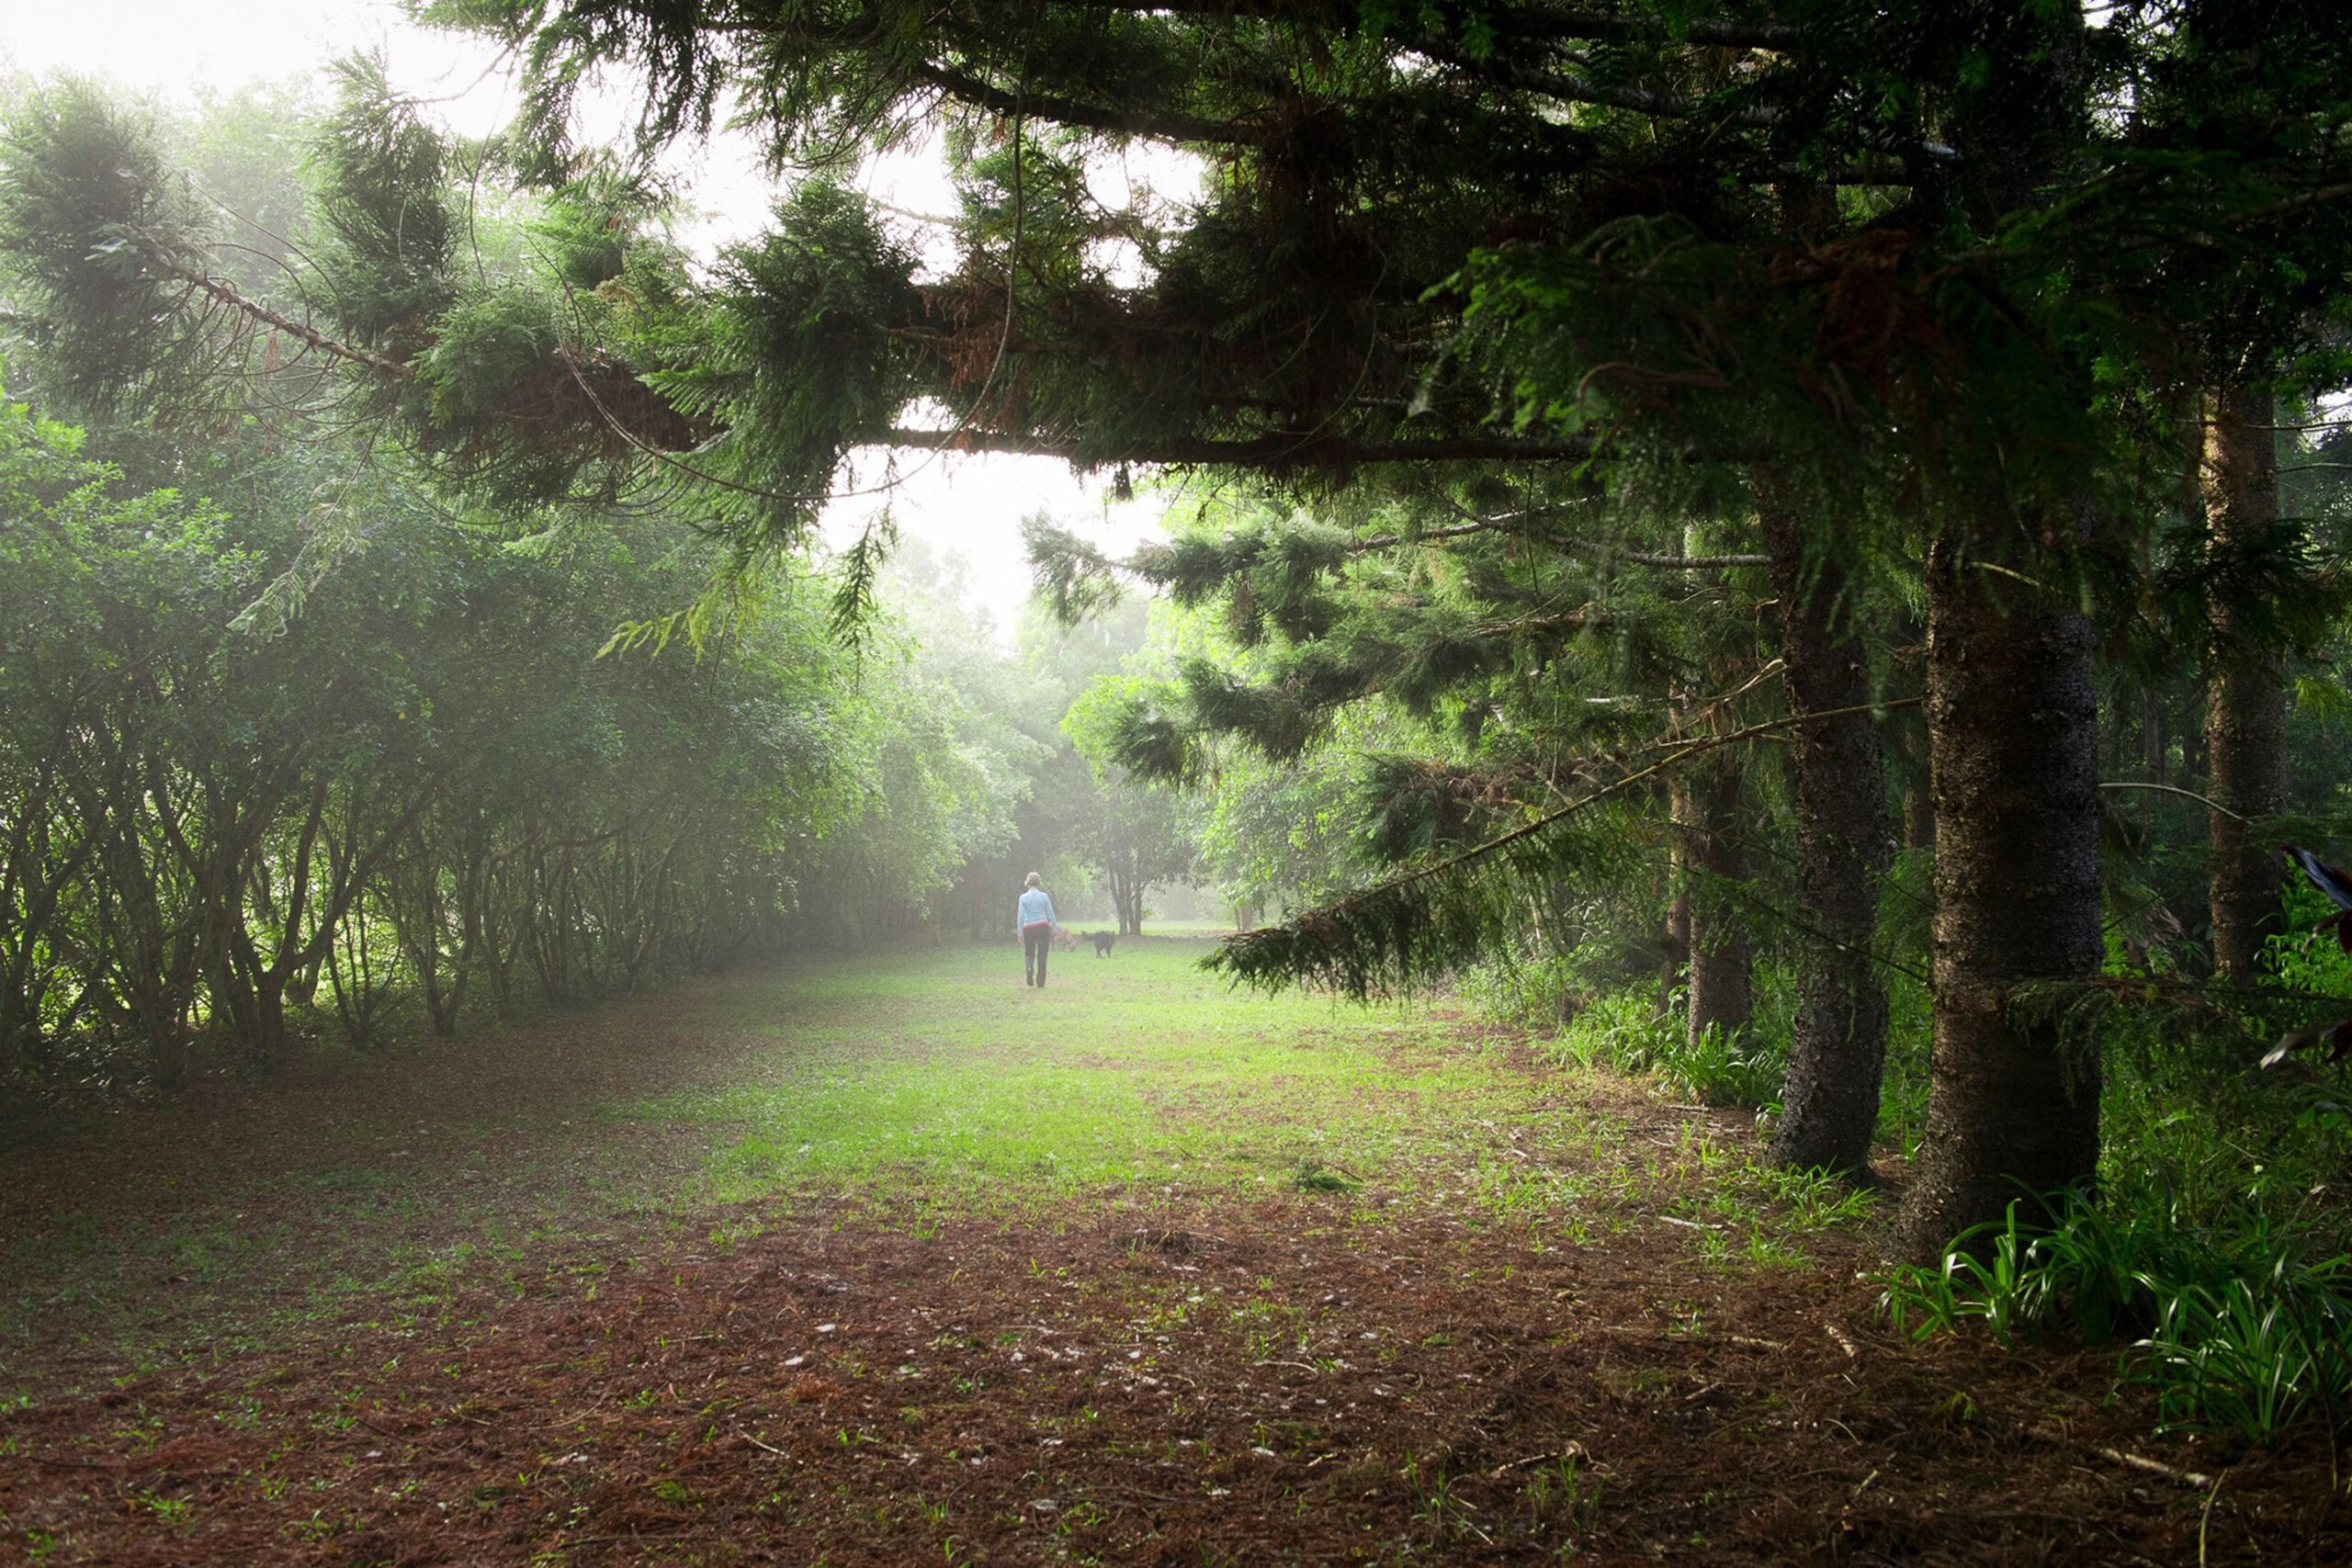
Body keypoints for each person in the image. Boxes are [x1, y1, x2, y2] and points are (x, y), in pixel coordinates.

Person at [1015, 872, 1058, 987]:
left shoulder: (1023, 898)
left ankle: (1029, 968)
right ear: (1039, 883)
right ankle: (1040, 980)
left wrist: (1020, 932)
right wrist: (1055, 929)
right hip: (1042, 927)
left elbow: (1020, 915)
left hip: (1028, 928)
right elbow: (1050, 913)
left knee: (1029, 952)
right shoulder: (1044, 896)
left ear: (1027, 883)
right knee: (1042, 954)